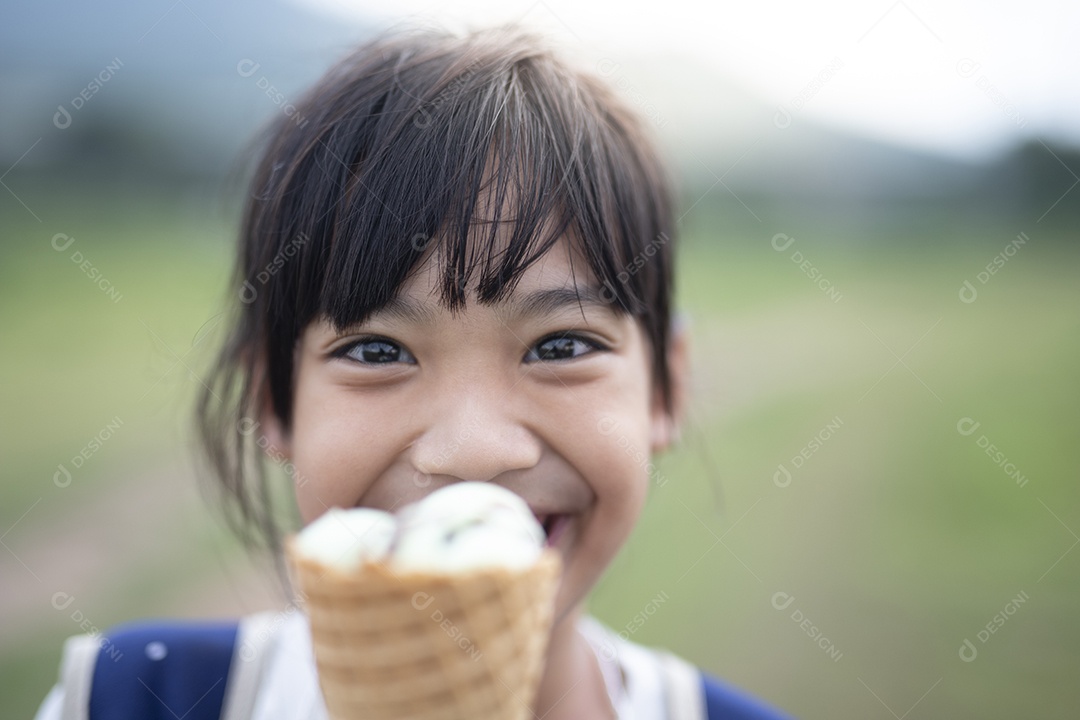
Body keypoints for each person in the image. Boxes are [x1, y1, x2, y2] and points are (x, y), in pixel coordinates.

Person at [35, 24, 793, 720]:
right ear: (274, 399)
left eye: (561, 346)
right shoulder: (124, 699)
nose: (474, 454)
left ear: (664, 388)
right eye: (377, 352)